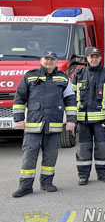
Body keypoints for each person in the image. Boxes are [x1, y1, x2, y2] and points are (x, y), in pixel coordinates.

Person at [12, 51, 77, 197]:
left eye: (52, 59)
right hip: (33, 124)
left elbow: (71, 100)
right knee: (30, 155)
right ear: (41, 60)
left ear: (56, 61)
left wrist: (72, 120)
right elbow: (19, 98)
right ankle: (25, 186)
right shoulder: (30, 76)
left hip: (53, 124)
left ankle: (46, 183)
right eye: (46, 59)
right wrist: (19, 118)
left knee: (50, 155)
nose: (49, 62)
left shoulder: (63, 78)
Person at [72, 47, 105, 184]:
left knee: (102, 149)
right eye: (91, 57)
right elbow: (71, 97)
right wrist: (71, 116)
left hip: (101, 121)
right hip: (82, 121)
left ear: (100, 58)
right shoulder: (79, 74)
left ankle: (103, 174)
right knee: (83, 150)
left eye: (96, 57)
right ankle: (83, 176)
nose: (94, 59)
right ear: (86, 58)